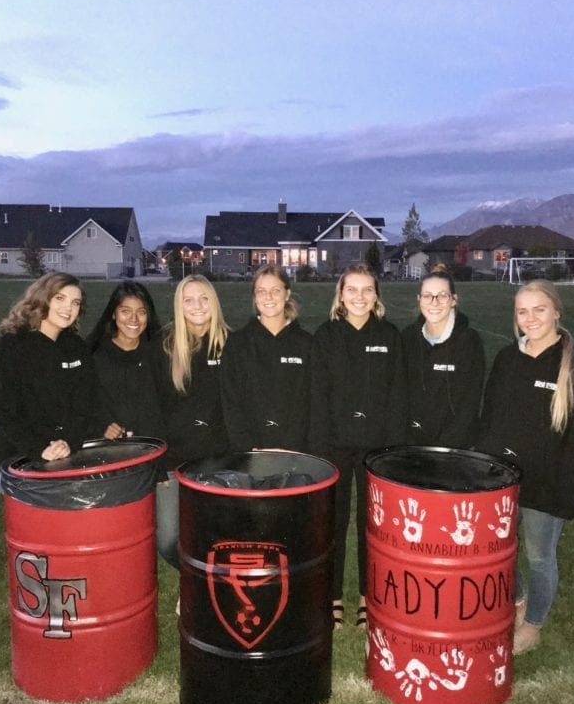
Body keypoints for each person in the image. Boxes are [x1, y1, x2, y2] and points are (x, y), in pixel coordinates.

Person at [477, 280, 574, 655]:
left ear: (556, 312)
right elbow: (490, 418)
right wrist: (483, 467)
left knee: (540, 557)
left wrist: (567, 497)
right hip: (502, 480)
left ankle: (533, 625)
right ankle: (518, 602)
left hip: (546, 487)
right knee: (499, 551)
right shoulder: (506, 358)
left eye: (539, 309)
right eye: (522, 311)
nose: (530, 318)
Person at [310, 263, 406, 630]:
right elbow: (318, 396)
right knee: (334, 522)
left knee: (373, 524)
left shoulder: (389, 336)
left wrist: (391, 450)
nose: (360, 296)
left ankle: (370, 595)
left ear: (377, 295)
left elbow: (397, 396)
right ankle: (332, 595)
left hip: (375, 449)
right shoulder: (326, 336)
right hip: (335, 446)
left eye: (367, 289)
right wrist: (320, 448)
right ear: (340, 294)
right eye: (352, 289)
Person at [152, 275, 229, 568]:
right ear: (179, 305)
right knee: (168, 540)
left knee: (216, 535)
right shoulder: (164, 345)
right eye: (189, 300)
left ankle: (208, 586)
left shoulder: (231, 344)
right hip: (173, 460)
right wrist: (158, 461)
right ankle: (196, 579)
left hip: (218, 458)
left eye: (204, 298)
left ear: (214, 302)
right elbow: (152, 406)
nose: (197, 305)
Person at [0, 272, 94, 477]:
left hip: (66, 455)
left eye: (76, 303)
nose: (68, 308)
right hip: (19, 458)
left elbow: (85, 404)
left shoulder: (77, 347)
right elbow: (1, 410)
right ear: (42, 298)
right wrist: (39, 449)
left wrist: (69, 442)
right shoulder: (11, 346)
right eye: (60, 298)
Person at [221, 265, 312, 452]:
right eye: (261, 291)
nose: (268, 297)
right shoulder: (237, 344)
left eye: (275, 290)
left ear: (287, 294)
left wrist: (292, 447)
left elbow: (311, 401)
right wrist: (249, 447)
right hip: (251, 452)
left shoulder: (307, 344)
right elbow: (231, 402)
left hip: (295, 451)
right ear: (254, 297)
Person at [402, 268, 485, 448]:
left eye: (442, 295)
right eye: (427, 296)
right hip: (413, 444)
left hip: (454, 446)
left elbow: (470, 401)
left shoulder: (469, 341)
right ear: (419, 299)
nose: (434, 302)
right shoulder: (408, 338)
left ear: (454, 300)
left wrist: (446, 447)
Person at [86, 281, 164, 440]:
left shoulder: (159, 353)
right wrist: (101, 427)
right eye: (125, 311)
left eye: (141, 312)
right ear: (113, 314)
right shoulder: (94, 356)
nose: (134, 319)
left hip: (154, 446)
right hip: (110, 448)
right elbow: (84, 405)